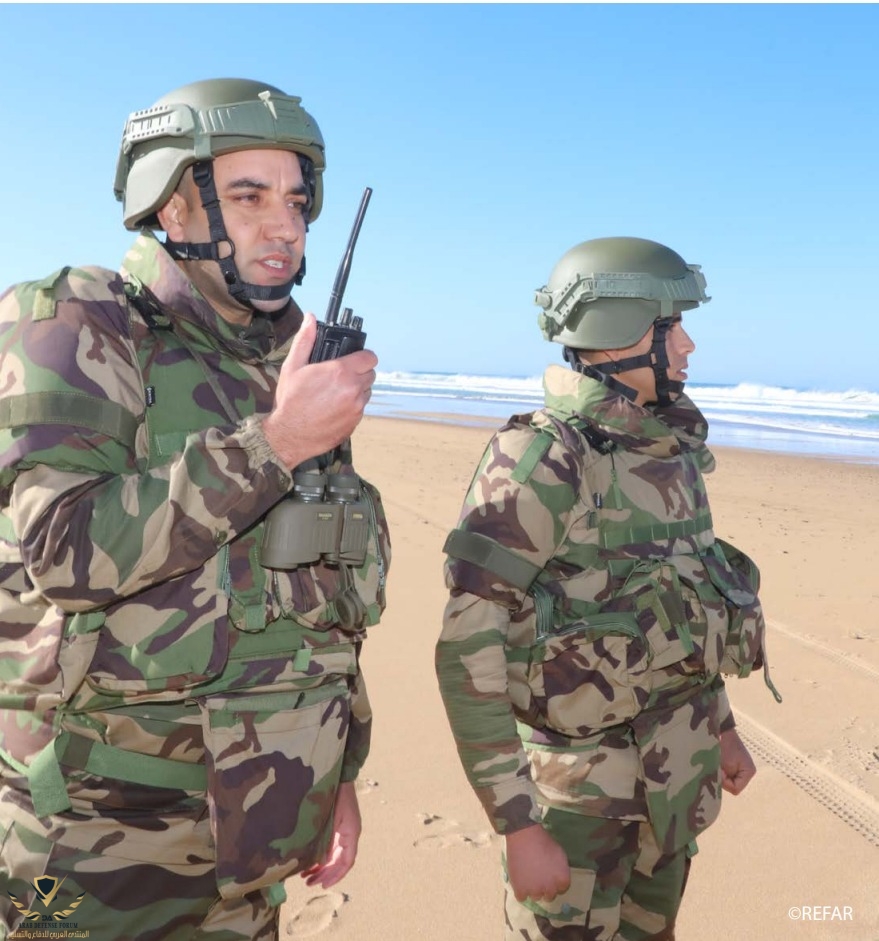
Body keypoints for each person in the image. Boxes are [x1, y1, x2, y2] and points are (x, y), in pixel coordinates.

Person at [0, 78, 390, 940]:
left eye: (295, 200)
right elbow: (65, 551)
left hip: (252, 818)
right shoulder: (77, 320)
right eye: (249, 197)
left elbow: (323, 600)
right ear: (172, 205)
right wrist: (277, 440)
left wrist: (335, 775)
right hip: (92, 837)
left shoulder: (289, 359)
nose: (284, 225)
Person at [436, 237, 780, 941]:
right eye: (669, 327)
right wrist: (517, 826)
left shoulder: (667, 452)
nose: (687, 344)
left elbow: (690, 607)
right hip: (576, 809)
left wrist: (722, 726)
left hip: (670, 788)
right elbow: (465, 650)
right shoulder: (543, 459)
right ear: (617, 332)